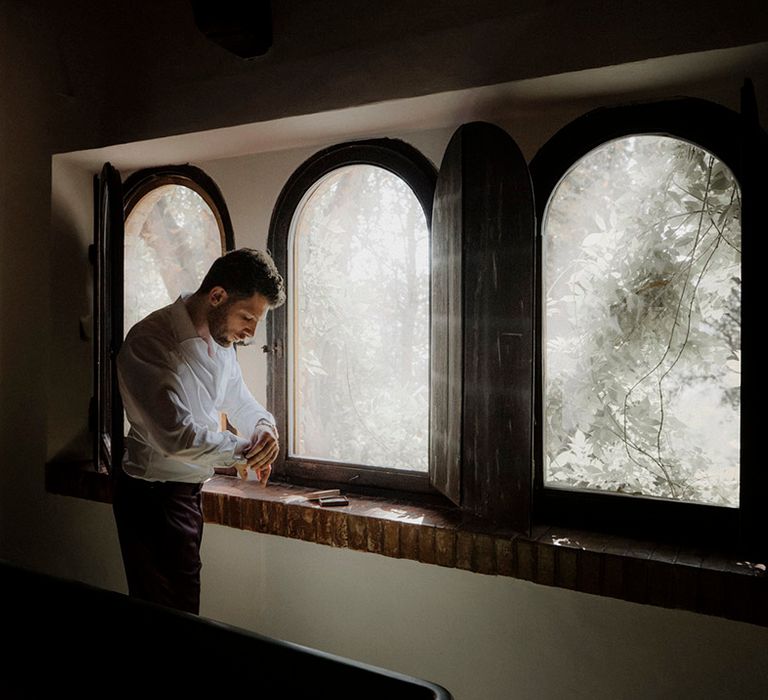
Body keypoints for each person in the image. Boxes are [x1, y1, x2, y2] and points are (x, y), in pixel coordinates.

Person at [112, 247, 286, 614]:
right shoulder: (150, 342)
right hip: (151, 499)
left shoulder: (221, 344)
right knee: (166, 614)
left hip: (188, 493)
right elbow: (177, 436)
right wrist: (244, 451)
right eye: (247, 317)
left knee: (185, 608)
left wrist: (264, 428)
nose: (251, 332)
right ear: (217, 296)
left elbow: (240, 401)